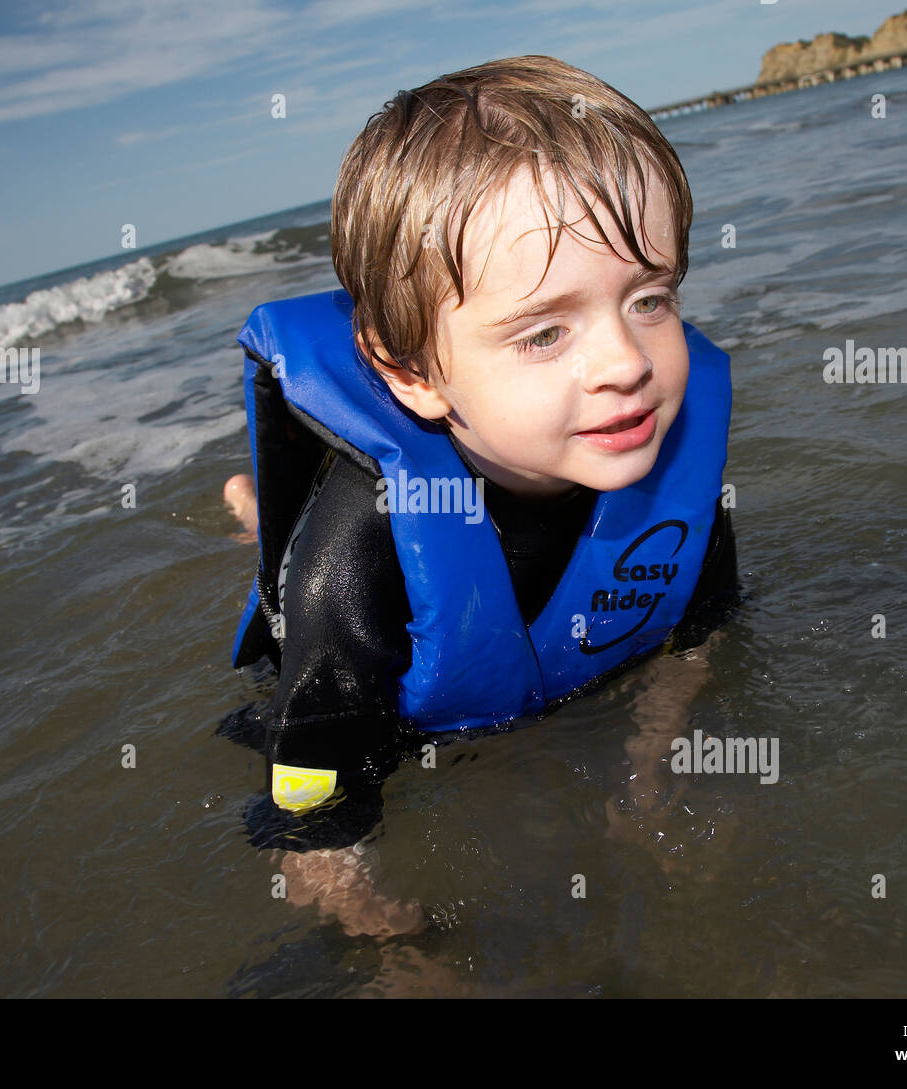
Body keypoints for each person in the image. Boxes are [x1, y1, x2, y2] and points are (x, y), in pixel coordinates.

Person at [221, 55, 740, 937]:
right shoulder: (363, 547)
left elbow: (697, 634)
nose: (627, 363)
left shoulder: (677, 469)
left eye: (650, 298)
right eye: (544, 332)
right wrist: (372, 923)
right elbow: (309, 782)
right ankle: (256, 517)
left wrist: (650, 759)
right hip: (359, 662)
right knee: (288, 573)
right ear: (414, 370)